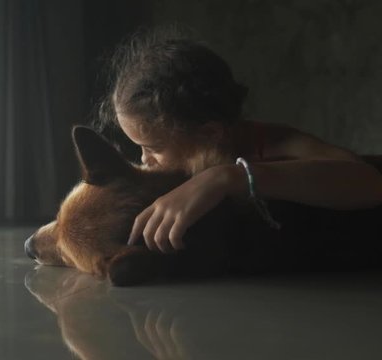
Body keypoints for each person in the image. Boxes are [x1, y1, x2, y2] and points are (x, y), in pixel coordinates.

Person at [93, 29, 382, 254]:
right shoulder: (178, 165)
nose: (144, 159)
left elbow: (369, 181)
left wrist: (225, 177)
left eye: (153, 148)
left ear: (210, 134)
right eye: (139, 148)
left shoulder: (276, 143)